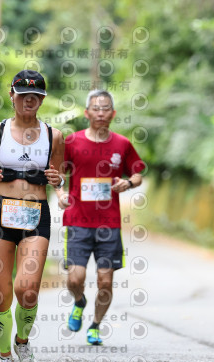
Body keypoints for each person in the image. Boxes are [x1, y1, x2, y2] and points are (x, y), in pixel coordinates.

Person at [0, 70, 65, 362]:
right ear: (12, 96)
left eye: (35, 96)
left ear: (42, 100)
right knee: (0, 292)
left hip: (35, 214)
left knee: (28, 289)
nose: (28, 101)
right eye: (22, 95)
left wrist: (60, 185)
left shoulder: (54, 136)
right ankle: (4, 357)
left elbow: (58, 176)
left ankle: (22, 342)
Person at [56, 89, 146, 345]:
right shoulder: (72, 142)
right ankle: (79, 301)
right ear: (87, 113)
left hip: (109, 224)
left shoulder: (122, 144)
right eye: (96, 108)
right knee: (75, 278)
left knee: (105, 283)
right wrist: (61, 194)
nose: (100, 113)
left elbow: (138, 173)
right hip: (77, 221)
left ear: (113, 113)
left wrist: (128, 183)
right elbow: (57, 173)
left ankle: (95, 326)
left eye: (105, 108)